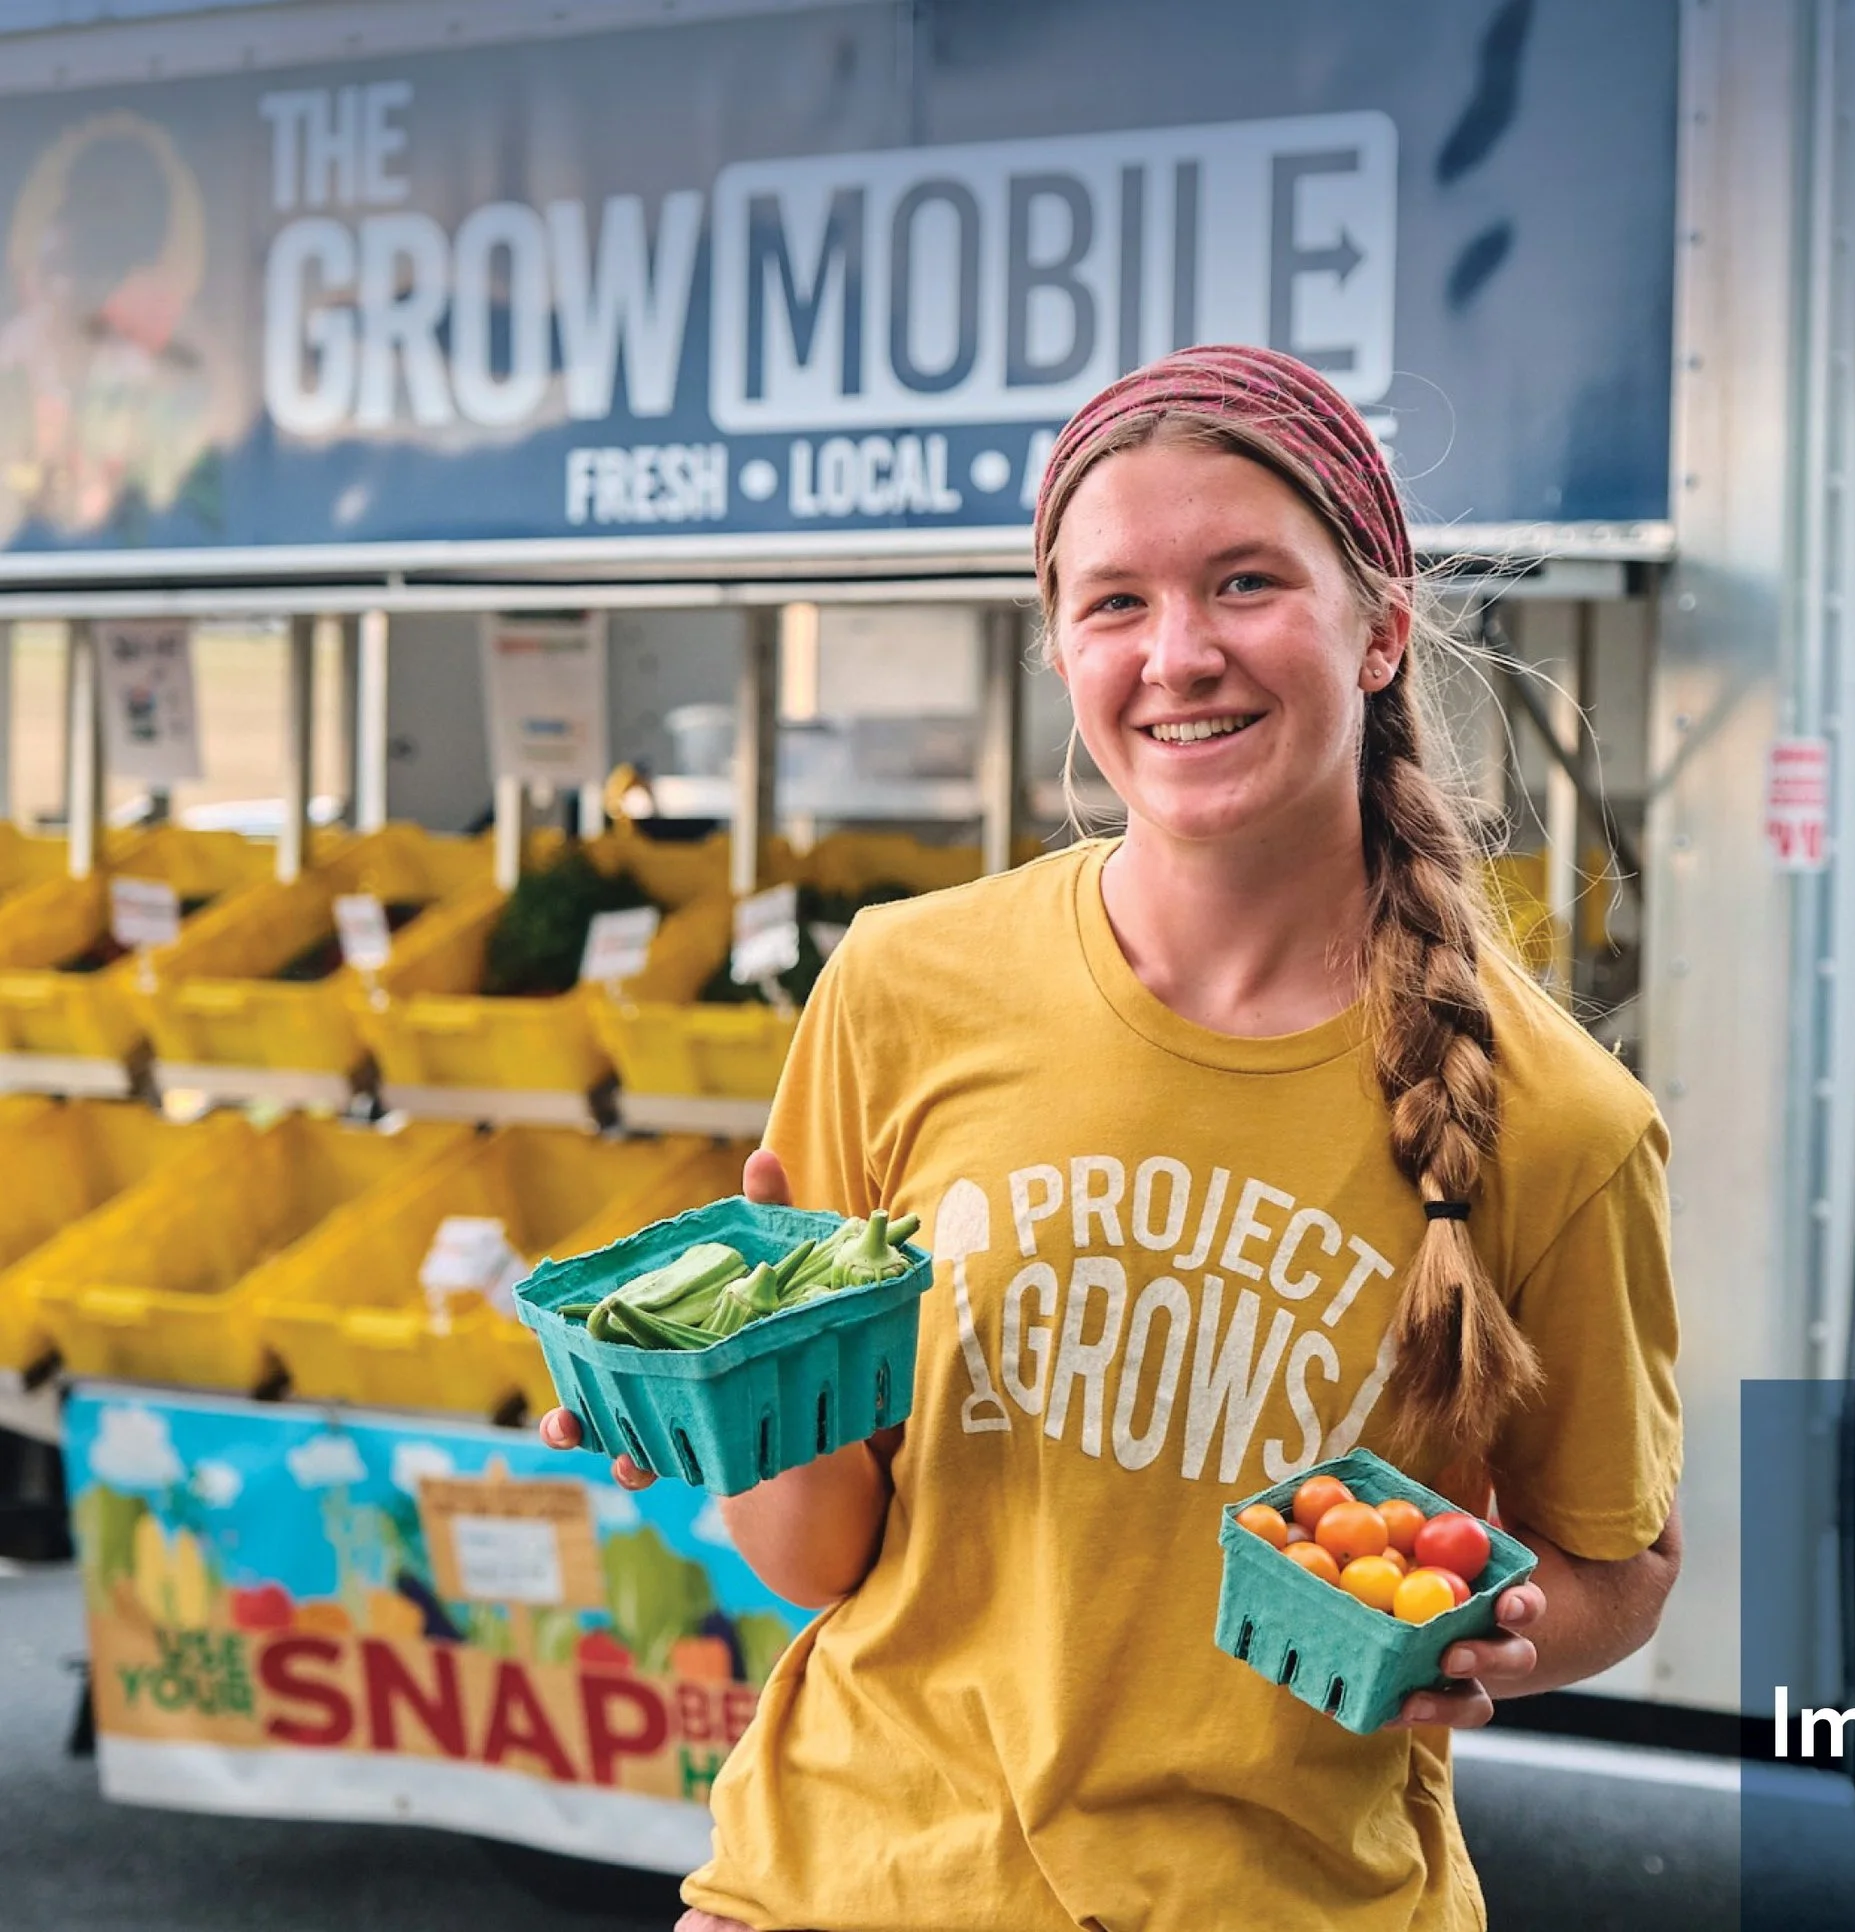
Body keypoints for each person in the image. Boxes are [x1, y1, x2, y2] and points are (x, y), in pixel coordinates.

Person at [542, 343, 1683, 1931]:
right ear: (1062, 647)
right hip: (849, 1882)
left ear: (1381, 628)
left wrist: (1492, 1630)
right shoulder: (901, 987)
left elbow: (1620, 1562)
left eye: (1244, 583)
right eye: (1116, 603)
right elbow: (819, 1563)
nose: (1180, 655)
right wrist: (739, 1407)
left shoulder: (1561, 1121)